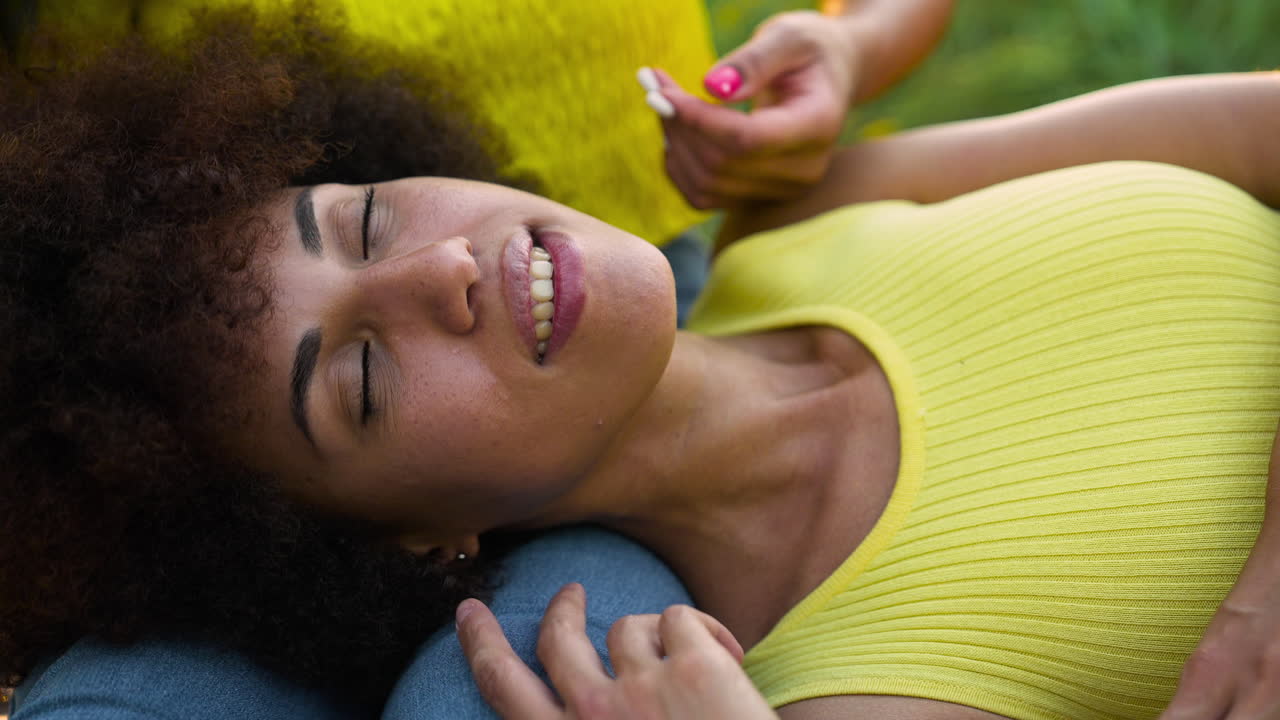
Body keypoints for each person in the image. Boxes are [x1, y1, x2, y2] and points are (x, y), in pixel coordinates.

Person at [7, 5, 1278, 720]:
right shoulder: (841, 687)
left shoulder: (802, 218)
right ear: (413, 538)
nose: (434, 271)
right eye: (361, 379)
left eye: (363, 217)